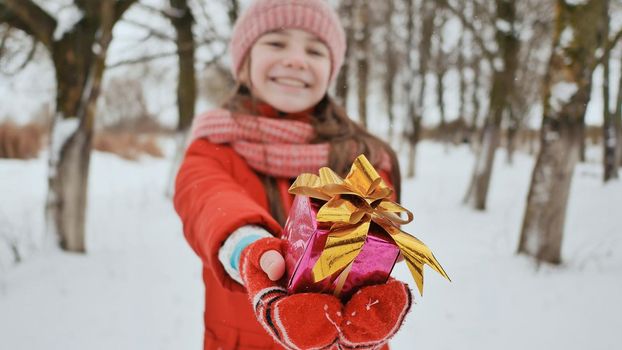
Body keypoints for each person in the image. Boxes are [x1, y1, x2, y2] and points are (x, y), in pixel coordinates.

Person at [174, 1, 412, 349]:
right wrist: (248, 248)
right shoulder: (213, 148)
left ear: (330, 71)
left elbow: (372, 226)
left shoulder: (363, 157)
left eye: (315, 50)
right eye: (276, 42)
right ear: (244, 64)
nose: (296, 60)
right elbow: (208, 200)